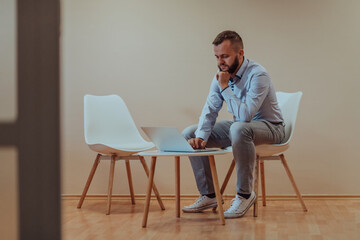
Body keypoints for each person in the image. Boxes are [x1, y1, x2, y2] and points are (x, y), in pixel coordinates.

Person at [182, 30, 285, 218]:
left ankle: (245, 194)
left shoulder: (258, 74)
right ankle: (210, 194)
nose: (220, 61)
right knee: (190, 133)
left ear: (240, 54)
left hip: (271, 127)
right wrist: (201, 137)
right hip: (242, 128)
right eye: (217, 56)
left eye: (225, 56)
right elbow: (210, 109)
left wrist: (224, 87)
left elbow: (245, 116)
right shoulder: (221, 75)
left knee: (239, 128)